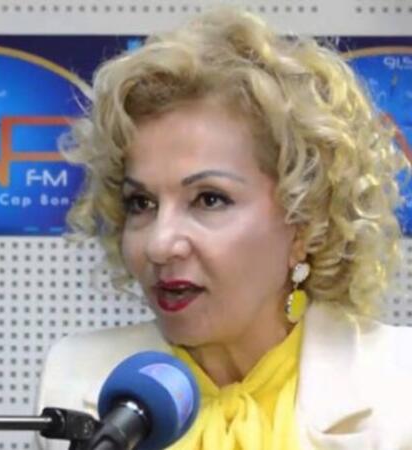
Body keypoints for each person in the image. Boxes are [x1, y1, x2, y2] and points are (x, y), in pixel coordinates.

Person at [36, 7, 412, 450]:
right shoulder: (76, 379)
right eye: (142, 203)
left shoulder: (398, 386)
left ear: (306, 221)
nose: (160, 244)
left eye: (209, 199)